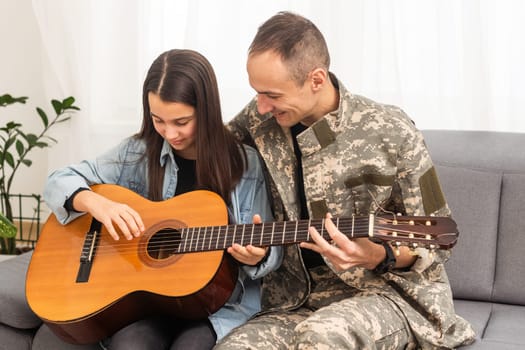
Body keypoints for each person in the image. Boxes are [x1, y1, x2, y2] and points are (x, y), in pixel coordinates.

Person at [214, 11, 475, 350]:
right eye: (257, 93)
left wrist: (378, 255)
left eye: (273, 95)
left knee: (323, 336)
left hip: (389, 296)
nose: (261, 107)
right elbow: (199, 154)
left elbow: (437, 241)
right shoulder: (259, 120)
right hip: (294, 302)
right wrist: (120, 201)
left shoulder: (391, 131)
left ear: (317, 80)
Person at [43, 49, 282, 350]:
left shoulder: (244, 164)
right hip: (147, 302)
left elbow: (268, 250)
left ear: (206, 112)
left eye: (182, 121)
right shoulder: (137, 152)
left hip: (215, 307)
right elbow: (58, 181)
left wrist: (258, 256)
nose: (170, 133)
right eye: (158, 120)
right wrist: (96, 203)